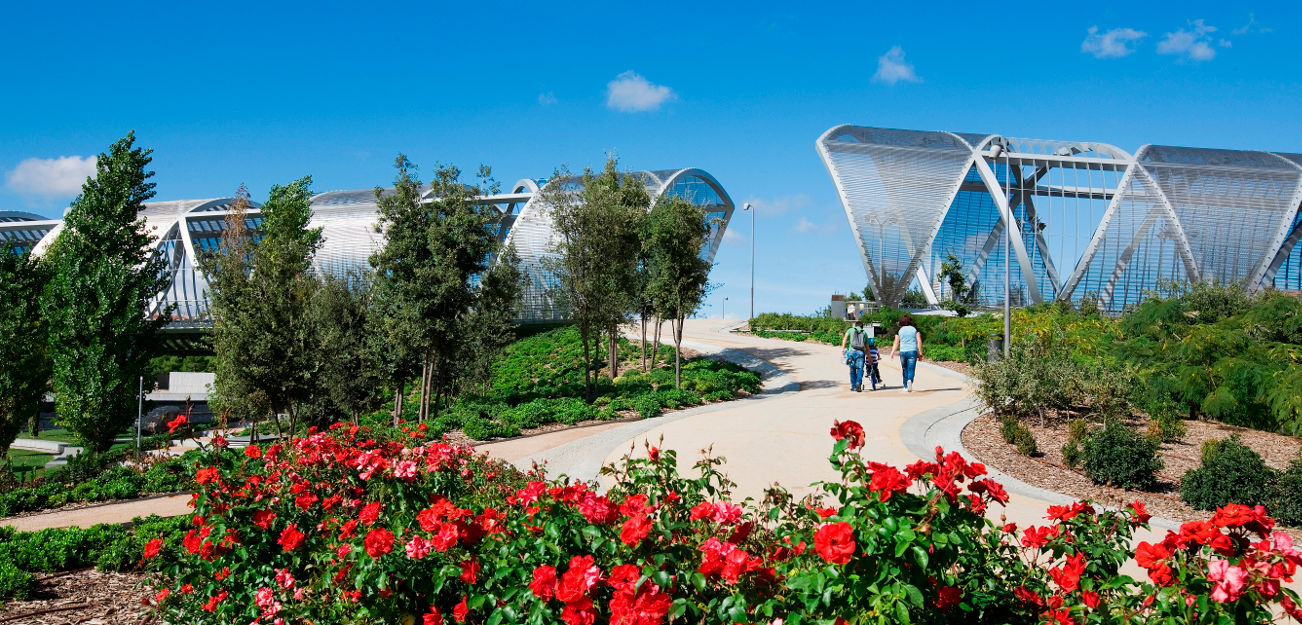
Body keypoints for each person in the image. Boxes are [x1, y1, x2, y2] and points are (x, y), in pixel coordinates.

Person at [889, 314, 923, 392]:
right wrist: (920, 352)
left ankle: (905, 386)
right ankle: (910, 380)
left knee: (905, 369)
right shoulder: (915, 329)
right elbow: (919, 341)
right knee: (911, 368)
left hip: (903, 352)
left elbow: (896, 342)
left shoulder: (899, 330)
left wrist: (892, 352)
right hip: (912, 351)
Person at [840, 320, 868, 392]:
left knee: (852, 369)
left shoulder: (850, 330)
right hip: (861, 353)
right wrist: (870, 357)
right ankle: (858, 383)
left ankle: (853, 386)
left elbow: (845, 338)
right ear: (862, 327)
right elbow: (867, 346)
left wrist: (843, 348)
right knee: (860, 369)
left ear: (855, 325)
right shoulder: (864, 333)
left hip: (851, 352)